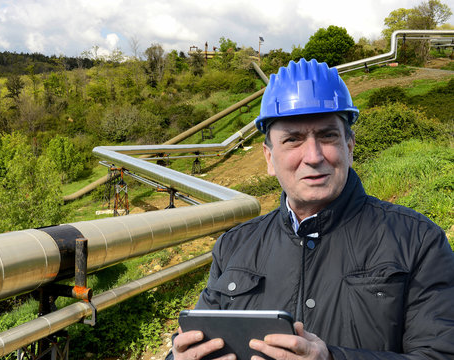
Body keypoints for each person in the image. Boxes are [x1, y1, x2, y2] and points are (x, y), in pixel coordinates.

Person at [166, 58, 454, 360]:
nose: (314, 156)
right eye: (293, 139)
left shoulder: (418, 240)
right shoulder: (233, 246)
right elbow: (194, 341)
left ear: (350, 146)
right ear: (268, 157)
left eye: (328, 135)